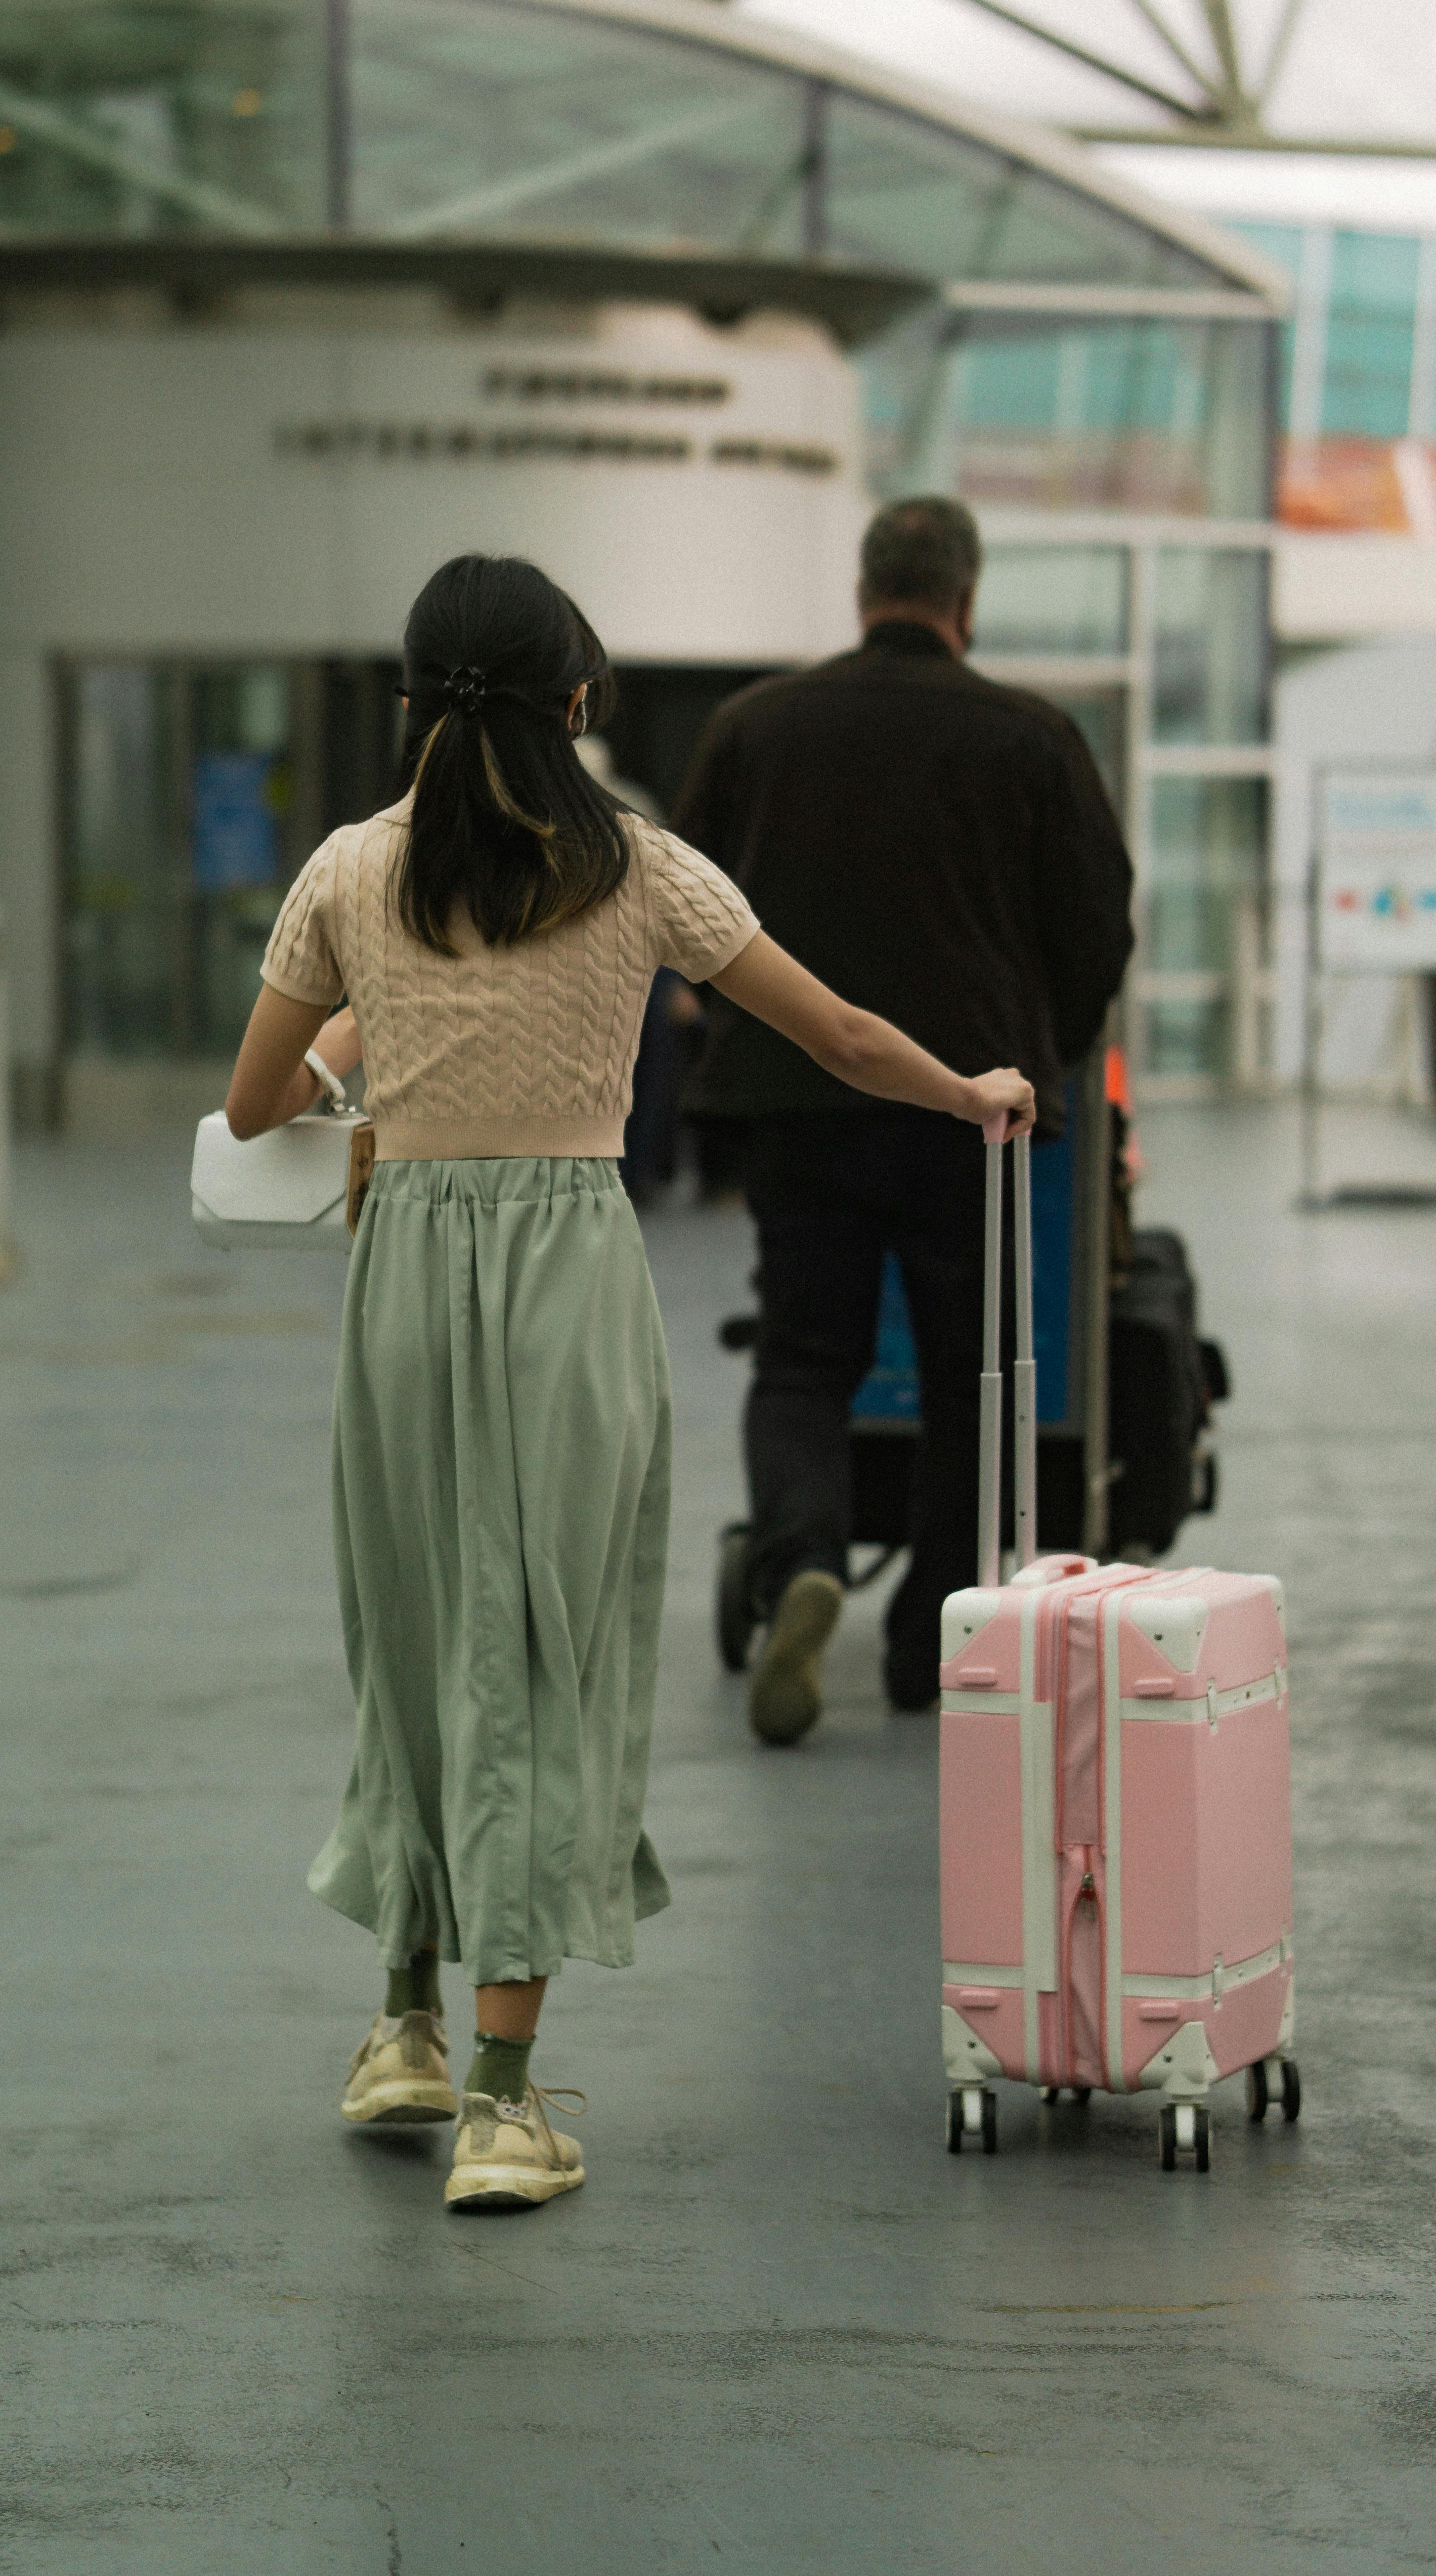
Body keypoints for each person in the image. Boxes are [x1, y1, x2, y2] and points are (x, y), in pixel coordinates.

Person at [225, 552, 1034, 2215]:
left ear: (406, 702)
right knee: (547, 1648)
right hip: (566, 1284)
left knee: (420, 1628)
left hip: (404, 1283)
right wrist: (971, 1093)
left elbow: (254, 1106)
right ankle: (507, 2109)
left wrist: (368, 1050)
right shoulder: (644, 874)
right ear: (576, 704)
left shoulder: (347, 872)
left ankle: (403, 2022)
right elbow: (839, 1038)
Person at [676, 495, 1134, 1747]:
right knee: (965, 1376)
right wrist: (1052, 1042)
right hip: (968, 1113)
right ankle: (930, 1641)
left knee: (802, 1357)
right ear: (965, 600)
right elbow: (1098, 921)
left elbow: (687, 909)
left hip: (793, 1099)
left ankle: (803, 1562)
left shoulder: (752, 730)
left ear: (863, 591)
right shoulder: (1032, 740)